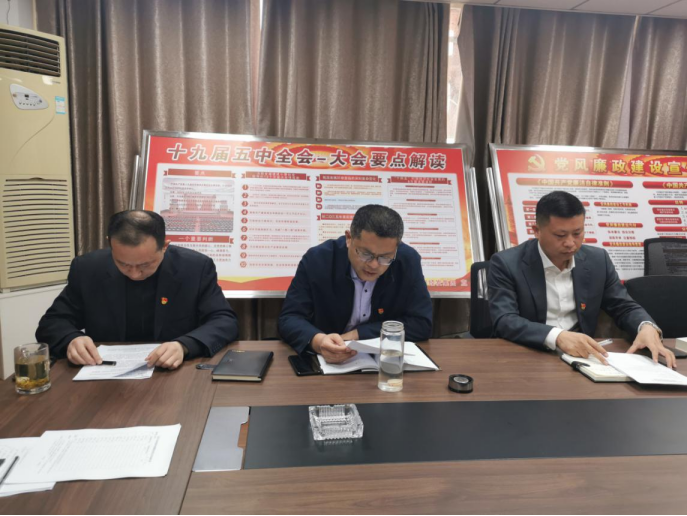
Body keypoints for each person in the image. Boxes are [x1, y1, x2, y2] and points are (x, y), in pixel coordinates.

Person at [488, 191, 675, 368]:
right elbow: (505, 320)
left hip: (583, 358)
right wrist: (558, 336)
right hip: (527, 355)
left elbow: (623, 306)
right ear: (537, 231)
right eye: (560, 235)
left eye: (577, 233)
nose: (570, 243)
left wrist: (646, 326)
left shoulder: (597, 260)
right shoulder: (506, 263)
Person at [36, 210, 239, 370]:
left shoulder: (194, 268)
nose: (134, 274)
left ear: (164, 246)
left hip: (173, 372)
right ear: (110, 244)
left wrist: (184, 345)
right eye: (123, 264)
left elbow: (224, 320)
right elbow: (52, 323)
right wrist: (72, 339)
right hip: (105, 374)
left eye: (145, 265)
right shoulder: (88, 269)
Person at [278, 204, 432, 363]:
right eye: (366, 254)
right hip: (326, 363)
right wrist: (319, 341)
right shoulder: (318, 259)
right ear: (349, 238)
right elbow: (290, 318)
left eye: (385, 257)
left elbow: (421, 323)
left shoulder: (407, 261)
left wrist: (358, 334)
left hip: (384, 364)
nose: (374, 265)